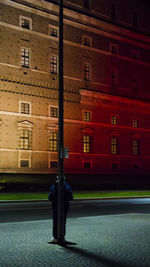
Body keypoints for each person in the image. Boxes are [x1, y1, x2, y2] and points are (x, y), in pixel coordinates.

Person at [48, 178, 73, 243]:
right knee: (63, 221)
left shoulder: (53, 187)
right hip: (65, 206)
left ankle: (55, 237)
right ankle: (62, 236)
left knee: (55, 222)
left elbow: (50, 197)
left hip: (55, 206)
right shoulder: (67, 187)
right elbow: (71, 197)